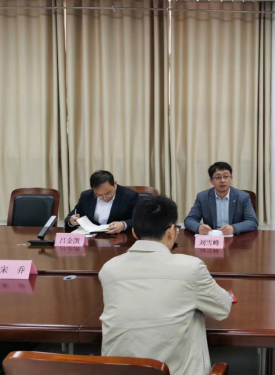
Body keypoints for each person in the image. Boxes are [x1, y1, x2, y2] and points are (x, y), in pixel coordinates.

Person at [99, 196, 232, 375]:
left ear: (134, 233)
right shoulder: (191, 268)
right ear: (171, 231)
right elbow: (223, 307)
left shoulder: (109, 269)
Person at [184, 161, 258, 235]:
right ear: (211, 181)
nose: (222, 180)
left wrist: (234, 228)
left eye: (226, 176)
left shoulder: (243, 197)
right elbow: (189, 220)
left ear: (231, 178)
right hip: (212, 238)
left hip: (236, 237)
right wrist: (199, 227)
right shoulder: (202, 197)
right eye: (218, 177)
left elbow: (252, 221)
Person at [64, 170, 139, 234]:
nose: (104, 198)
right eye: (99, 195)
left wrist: (123, 225)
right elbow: (72, 216)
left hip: (119, 238)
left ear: (115, 184)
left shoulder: (130, 196)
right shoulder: (86, 196)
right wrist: (71, 221)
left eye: (108, 193)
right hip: (92, 239)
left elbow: (139, 220)